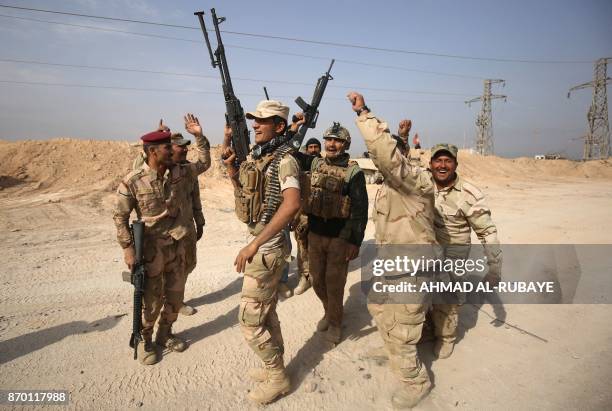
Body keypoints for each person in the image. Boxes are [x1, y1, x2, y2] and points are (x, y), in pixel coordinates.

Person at [349, 91, 437, 408]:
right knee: (378, 307)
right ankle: (397, 352)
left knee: (404, 327)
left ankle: (415, 380)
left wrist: (364, 113)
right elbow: (389, 159)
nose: (378, 162)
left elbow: (389, 155)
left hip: (412, 269)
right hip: (392, 265)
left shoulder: (417, 181)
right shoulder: (390, 184)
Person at [113, 113, 211, 365]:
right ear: (152, 152)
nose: (173, 150)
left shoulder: (181, 172)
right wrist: (127, 249)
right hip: (151, 251)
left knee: (175, 297)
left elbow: (204, 163)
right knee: (151, 303)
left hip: (179, 247)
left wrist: (199, 136)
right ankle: (145, 339)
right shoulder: (133, 181)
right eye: (167, 147)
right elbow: (120, 216)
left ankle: (165, 335)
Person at [222, 100, 301, 404]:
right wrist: (231, 170)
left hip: (266, 246)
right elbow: (246, 195)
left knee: (249, 321)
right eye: (254, 120)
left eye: (262, 121)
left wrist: (254, 244)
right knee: (266, 314)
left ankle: (278, 376)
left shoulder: (285, 159)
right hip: (260, 241)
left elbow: (292, 204)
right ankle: (275, 368)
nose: (254, 125)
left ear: (280, 126)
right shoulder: (262, 156)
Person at [426, 142, 502, 358]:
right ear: (430, 164)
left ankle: (446, 336)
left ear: (455, 164)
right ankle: (428, 327)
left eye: (447, 161)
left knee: (448, 297)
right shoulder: (422, 184)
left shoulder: (469, 194)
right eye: (438, 160)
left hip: (454, 254)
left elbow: (488, 232)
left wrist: (494, 268)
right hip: (426, 251)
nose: (442, 165)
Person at [304, 123, 368, 343]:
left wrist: (354, 241)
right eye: (328, 139)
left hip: (339, 237)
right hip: (315, 234)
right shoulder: (315, 163)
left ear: (345, 144)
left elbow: (360, 210)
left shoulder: (353, 172)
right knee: (316, 280)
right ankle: (329, 311)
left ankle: (335, 323)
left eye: (337, 140)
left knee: (334, 283)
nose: (331, 144)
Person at [170, 132, 206, 316]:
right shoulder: (160, 170)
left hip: (187, 228)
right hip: (168, 233)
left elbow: (205, 163)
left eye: (186, 146)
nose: (185, 149)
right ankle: (175, 302)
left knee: (188, 265)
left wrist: (200, 222)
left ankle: (175, 299)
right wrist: (158, 137)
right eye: (180, 146)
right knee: (171, 269)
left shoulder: (188, 169)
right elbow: (140, 163)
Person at [290, 136, 323, 296]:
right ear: (306, 149)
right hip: (303, 215)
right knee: (302, 247)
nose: (314, 150)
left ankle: (318, 277)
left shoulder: (326, 165)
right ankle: (304, 277)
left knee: (320, 247)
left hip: (321, 214)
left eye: (316, 147)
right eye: (311, 147)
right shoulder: (300, 163)